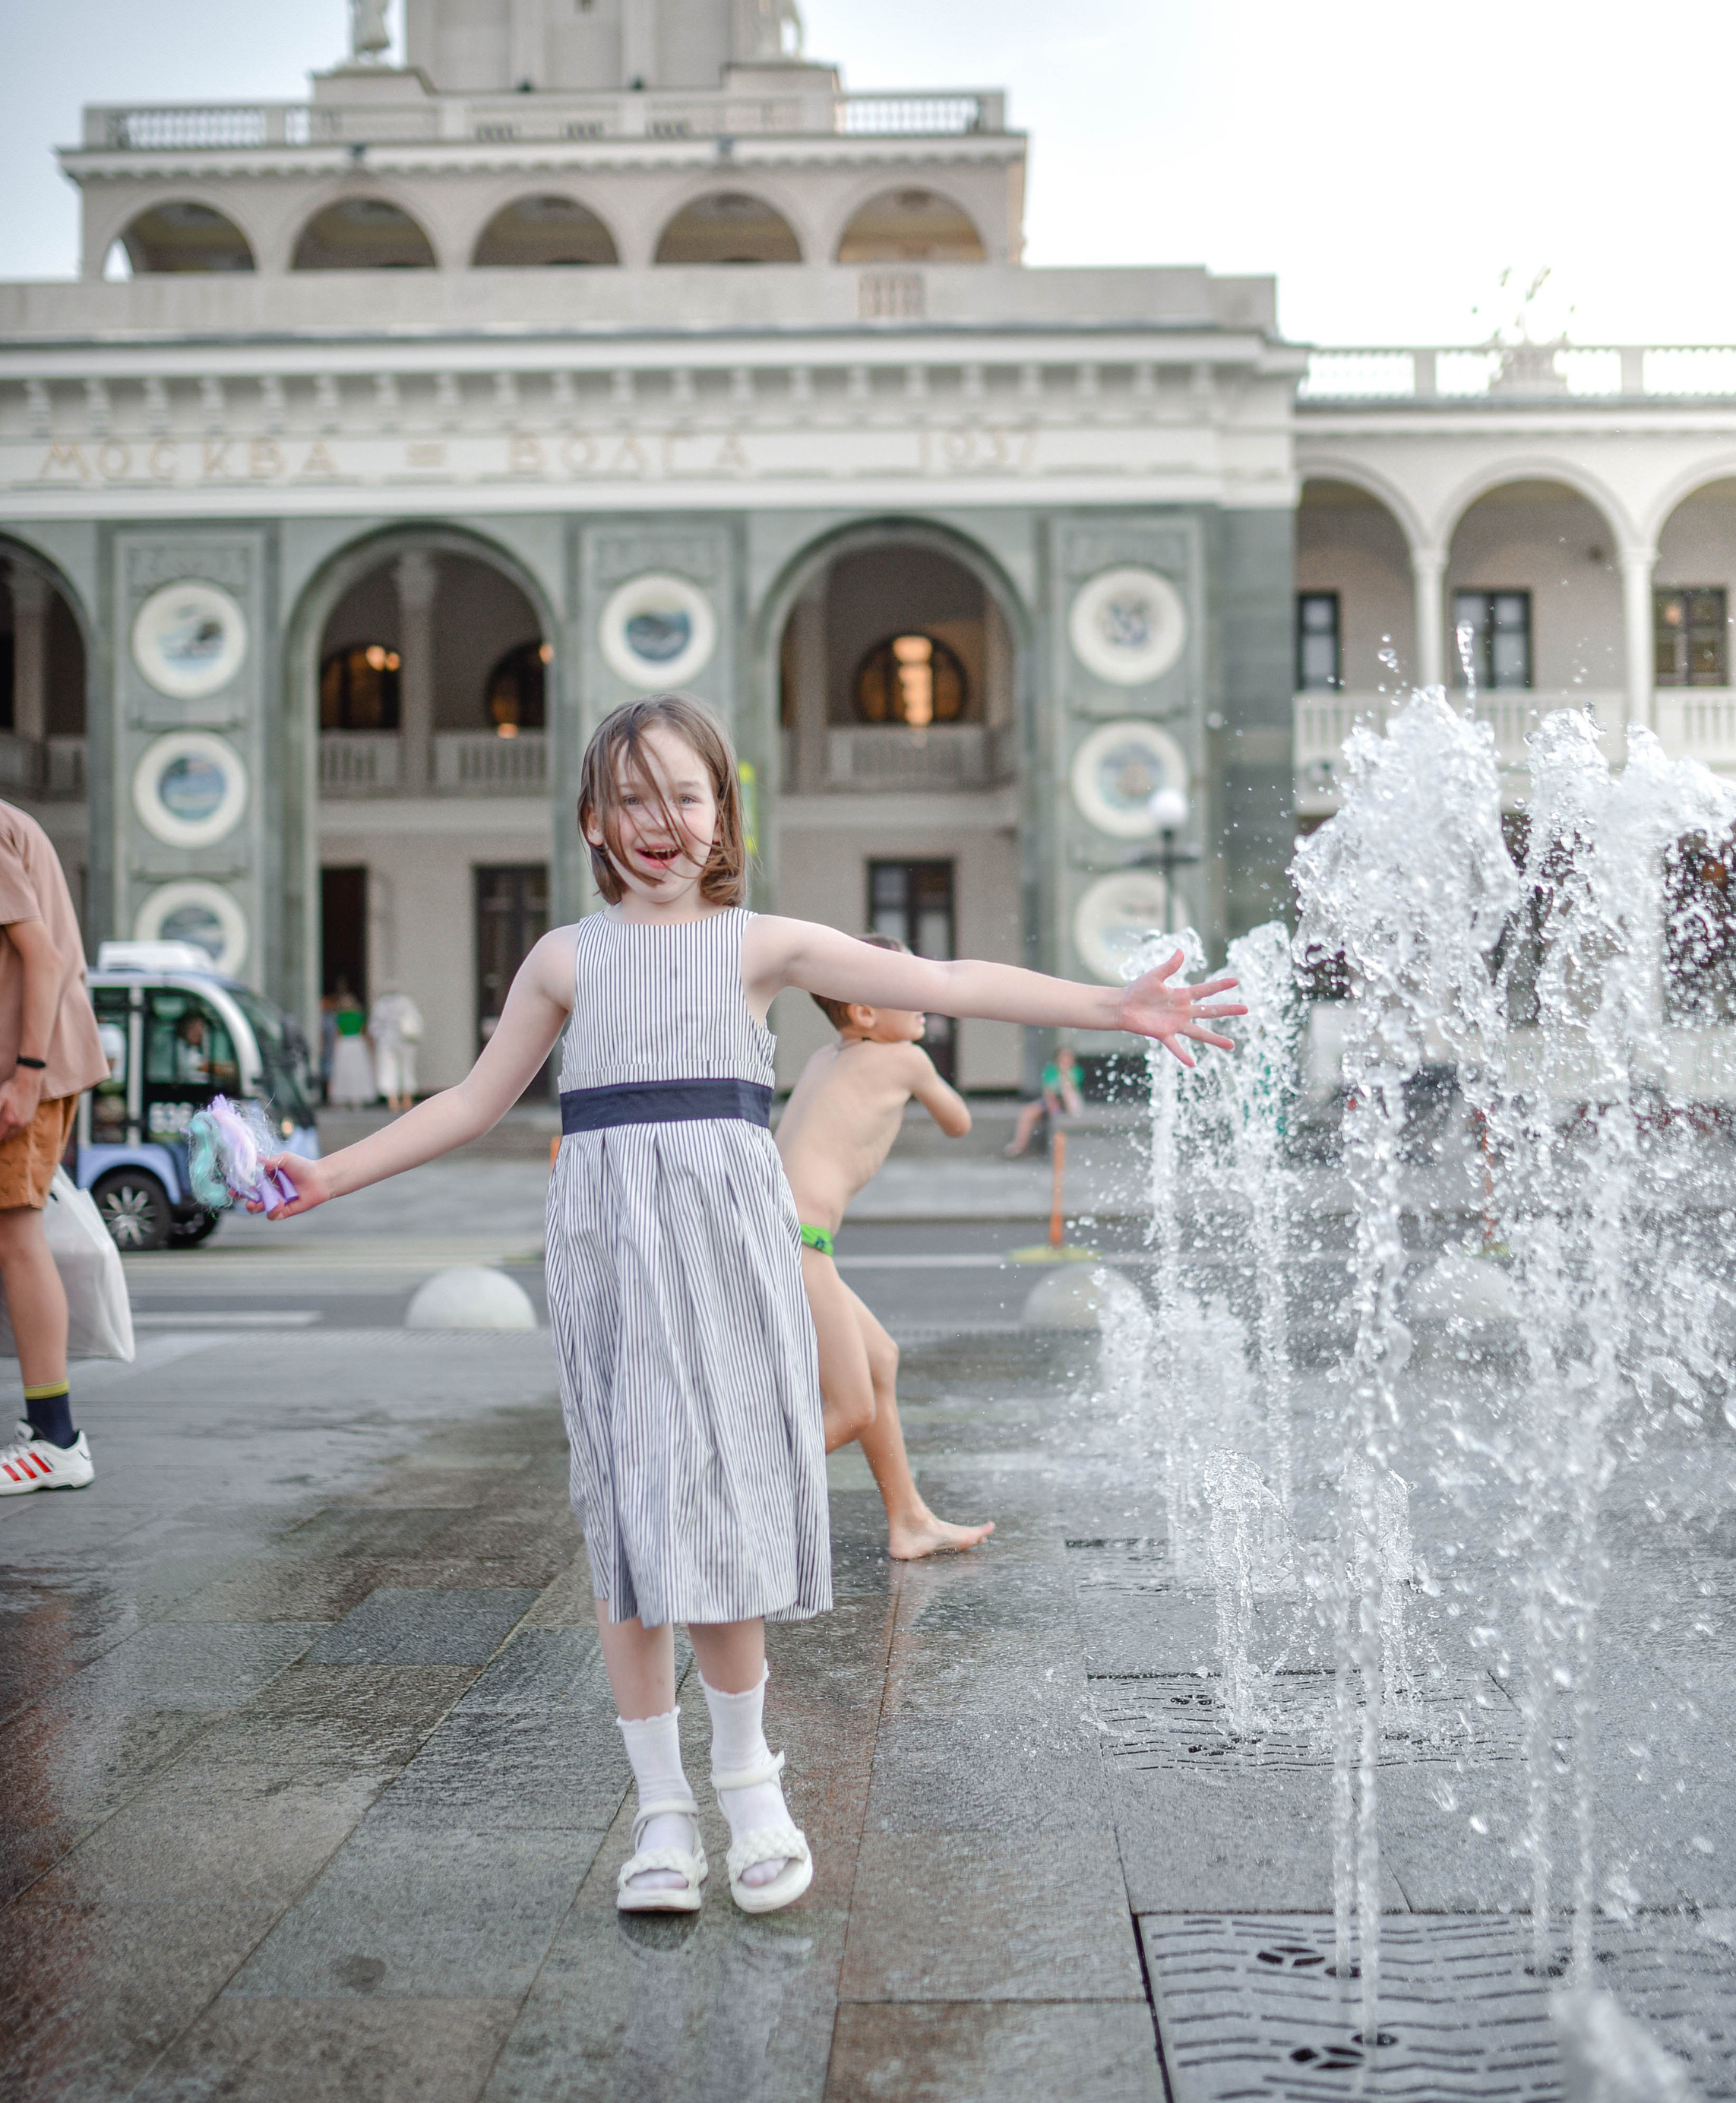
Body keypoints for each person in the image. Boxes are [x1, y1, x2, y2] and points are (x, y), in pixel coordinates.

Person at [264, 696, 1241, 1924]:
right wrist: (329, 1173)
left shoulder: (759, 947)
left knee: (719, 1517)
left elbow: (943, 977)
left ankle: (751, 1786)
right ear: (593, 819)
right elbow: (467, 1104)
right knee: (628, 1533)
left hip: (729, 1253)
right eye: (633, 798)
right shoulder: (565, 960)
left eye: (685, 795)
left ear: (725, 812)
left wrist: (1117, 1008)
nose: (660, 822)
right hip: (612, 1259)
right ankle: (660, 1815)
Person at [775, 938, 994, 1562]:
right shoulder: (907, 1060)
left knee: (880, 1361)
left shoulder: (822, 1058)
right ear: (865, 1013)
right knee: (848, 1408)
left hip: (778, 1235)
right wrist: (923, 1071)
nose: (924, 996)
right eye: (907, 985)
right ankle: (720, 1492)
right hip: (797, 1243)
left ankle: (911, 1519)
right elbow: (960, 1122)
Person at [0, 800, 109, 1495]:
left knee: (16, 1233)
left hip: (26, 1069)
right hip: (27, 1064)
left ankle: (56, 1438)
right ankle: (48, 1432)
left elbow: (42, 957)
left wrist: (26, 1076)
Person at [1004, 1042, 1083, 1157]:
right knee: (1028, 1112)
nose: (1067, 1060)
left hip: (1069, 1102)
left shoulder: (1076, 1071)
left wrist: (1064, 1074)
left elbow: (1071, 1088)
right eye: (1064, 1057)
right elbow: (1048, 1090)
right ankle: (1019, 1145)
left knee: (1068, 1095)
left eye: (1069, 1057)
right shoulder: (1051, 1070)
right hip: (1052, 1101)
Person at [368, 987, 423, 1114]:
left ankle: (393, 1101)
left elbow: (374, 1027)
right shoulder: (406, 1003)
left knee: (388, 1070)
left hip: (387, 1043)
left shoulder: (381, 1005)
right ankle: (406, 1099)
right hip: (405, 1042)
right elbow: (416, 1022)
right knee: (407, 1069)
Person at [325, 985, 377, 1109]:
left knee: (350, 1071)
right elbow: (363, 1033)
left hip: (349, 1044)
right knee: (351, 1071)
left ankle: (351, 1098)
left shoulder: (346, 1017)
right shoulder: (349, 1017)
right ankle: (350, 1098)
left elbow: (339, 1035)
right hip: (352, 1044)